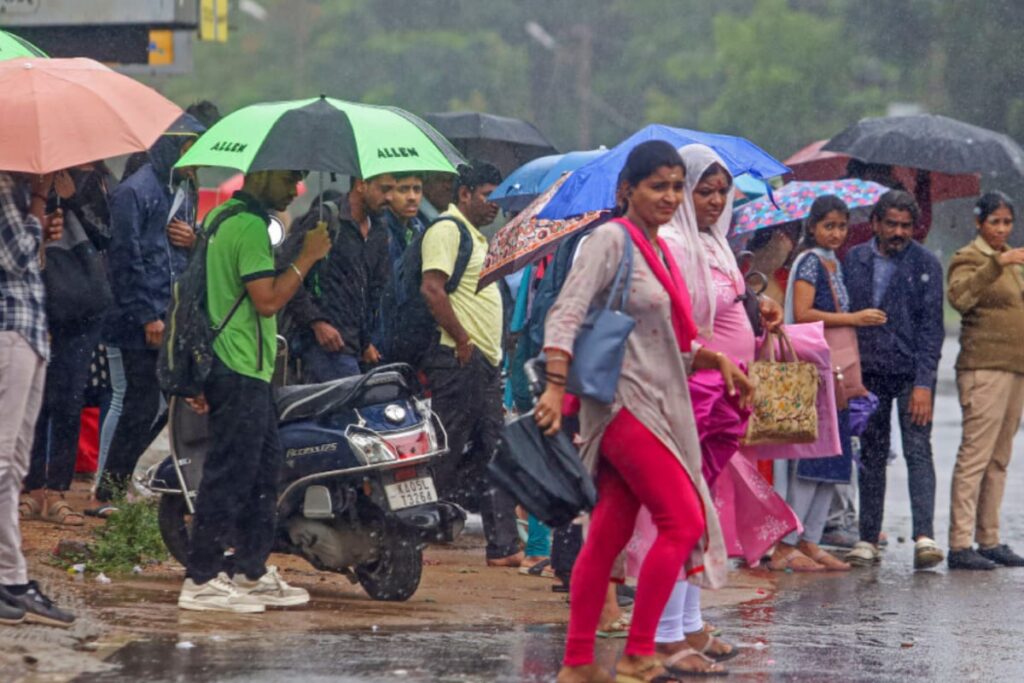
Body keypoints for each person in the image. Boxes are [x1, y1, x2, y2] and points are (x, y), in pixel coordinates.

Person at [536, 141, 752, 683]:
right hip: (622, 406)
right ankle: (638, 651)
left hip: (659, 401)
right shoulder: (610, 239)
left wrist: (715, 359)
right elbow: (566, 311)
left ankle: (579, 663)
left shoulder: (655, 249)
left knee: (608, 532)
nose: (670, 196)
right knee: (683, 519)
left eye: (677, 186)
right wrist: (553, 385)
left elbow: (663, 340)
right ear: (625, 190)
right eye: (659, 185)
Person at [647, 144, 789, 674]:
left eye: (721, 191)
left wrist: (758, 307)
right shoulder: (678, 244)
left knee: (700, 510)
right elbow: (680, 324)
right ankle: (665, 635)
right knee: (680, 511)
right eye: (702, 190)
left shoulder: (716, 244)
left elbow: (725, 307)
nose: (713, 200)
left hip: (724, 393)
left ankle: (688, 624)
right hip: (694, 390)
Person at [178, 170, 331, 613]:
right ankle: (202, 578)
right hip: (237, 364)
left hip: (252, 367)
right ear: (261, 173)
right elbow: (266, 299)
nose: (294, 189)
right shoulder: (245, 225)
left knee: (263, 472)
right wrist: (308, 257)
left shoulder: (228, 215)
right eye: (288, 178)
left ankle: (250, 569)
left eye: (300, 179)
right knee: (230, 474)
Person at [96, 115, 206, 507]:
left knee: (169, 399)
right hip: (138, 321)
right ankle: (107, 490)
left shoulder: (184, 190)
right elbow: (127, 258)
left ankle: (120, 479)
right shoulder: (134, 192)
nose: (200, 160)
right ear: (175, 147)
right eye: (194, 148)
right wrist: (147, 315)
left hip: (170, 313)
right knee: (139, 404)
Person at [419, 161, 522, 567]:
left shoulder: (478, 238)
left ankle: (500, 545)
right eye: (486, 195)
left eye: (498, 197)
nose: (493, 204)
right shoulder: (448, 230)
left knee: (492, 449)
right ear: (464, 194)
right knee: (446, 449)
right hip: (458, 358)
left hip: (482, 362)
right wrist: (462, 338)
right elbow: (432, 288)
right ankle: (413, 532)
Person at [778, 195, 884, 572]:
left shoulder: (833, 262)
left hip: (835, 370)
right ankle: (788, 541)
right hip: (817, 367)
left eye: (841, 226)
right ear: (813, 226)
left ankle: (812, 538)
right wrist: (853, 318)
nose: (836, 233)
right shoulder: (809, 262)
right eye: (829, 226)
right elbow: (804, 314)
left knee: (835, 457)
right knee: (813, 458)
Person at [843, 190, 945, 569]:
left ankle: (924, 537)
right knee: (871, 454)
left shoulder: (926, 264)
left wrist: (923, 383)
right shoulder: (855, 259)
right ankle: (867, 538)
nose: (899, 232)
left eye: (906, 225)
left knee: (918, 450)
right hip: (869, 372)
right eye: (892, 224)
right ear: (875, 224)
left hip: (911, 374)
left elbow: (932, 329)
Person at [0, 170, 76, 627]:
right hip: (9, 330)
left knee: (15, 467)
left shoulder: (17, 191)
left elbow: (31, 260)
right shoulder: (6, 188)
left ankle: (12, 576)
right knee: (3, 461)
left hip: (27, 330)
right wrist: (38, 202)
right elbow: (13, 256)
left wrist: (39, 219)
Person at [22, 166, 114, 524]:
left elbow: (107, 234)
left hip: (80, 305)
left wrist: (73, 197)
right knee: (34, 398)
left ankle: (58, 491)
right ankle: (32, 489)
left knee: (69, 397)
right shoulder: (20, 180)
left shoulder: (93, 179)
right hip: (34, 299)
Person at [946, 192, 1024, 570]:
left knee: (999, 458)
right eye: (995, 221)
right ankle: (960, 543)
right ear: (979, 223)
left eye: (1007, 222)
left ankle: (988, 538)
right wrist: (997, 263)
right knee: (974, 457)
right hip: (983, 368)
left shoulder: (1014, 262)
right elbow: (960, 297)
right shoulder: (970, 258)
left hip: (1014, 368)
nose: (1002, 229)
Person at [279, 174, 394, 381]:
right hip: (322, 347)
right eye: (385, 189)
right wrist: (317, 322)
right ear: (361, 185)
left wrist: (365, 341)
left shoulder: (379, 230)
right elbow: (287, 272)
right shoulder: (325, 219)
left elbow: (372, 291)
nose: (391, 197)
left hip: (356, 348)